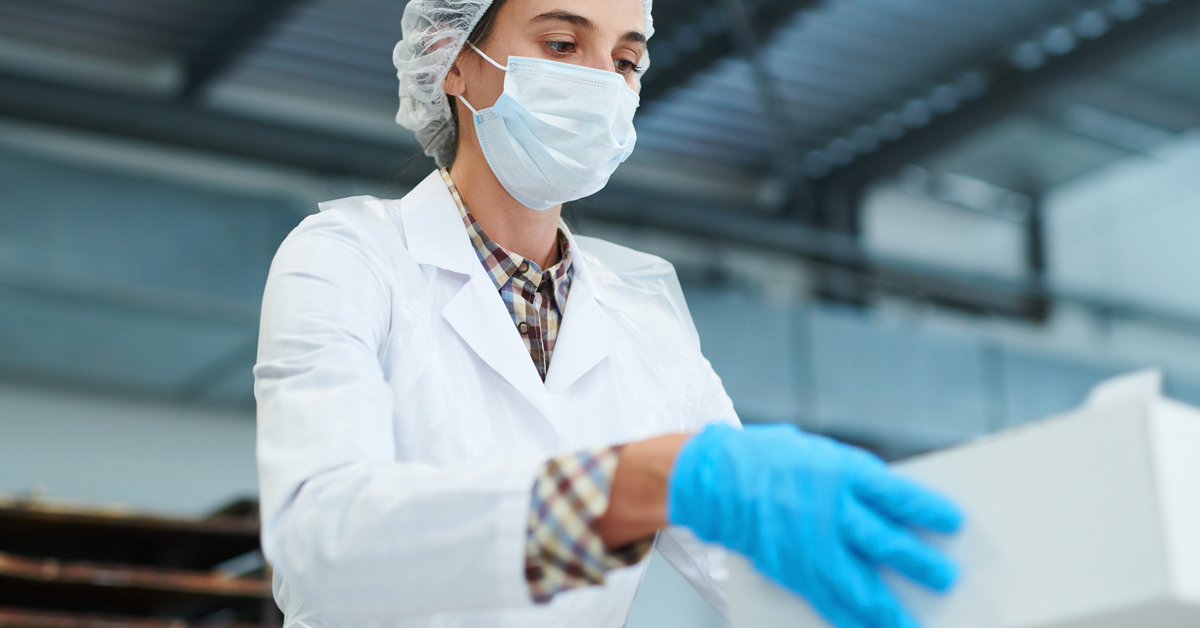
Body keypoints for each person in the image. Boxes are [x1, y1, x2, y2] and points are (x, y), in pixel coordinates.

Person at [253, 0, 963, 626]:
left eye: (625, 60)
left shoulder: (644, 317)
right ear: (453, 62)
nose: (600, 84)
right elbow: (322, 540)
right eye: (562, 45)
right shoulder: (351, 257)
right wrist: (643, 481)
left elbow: (759, 573)